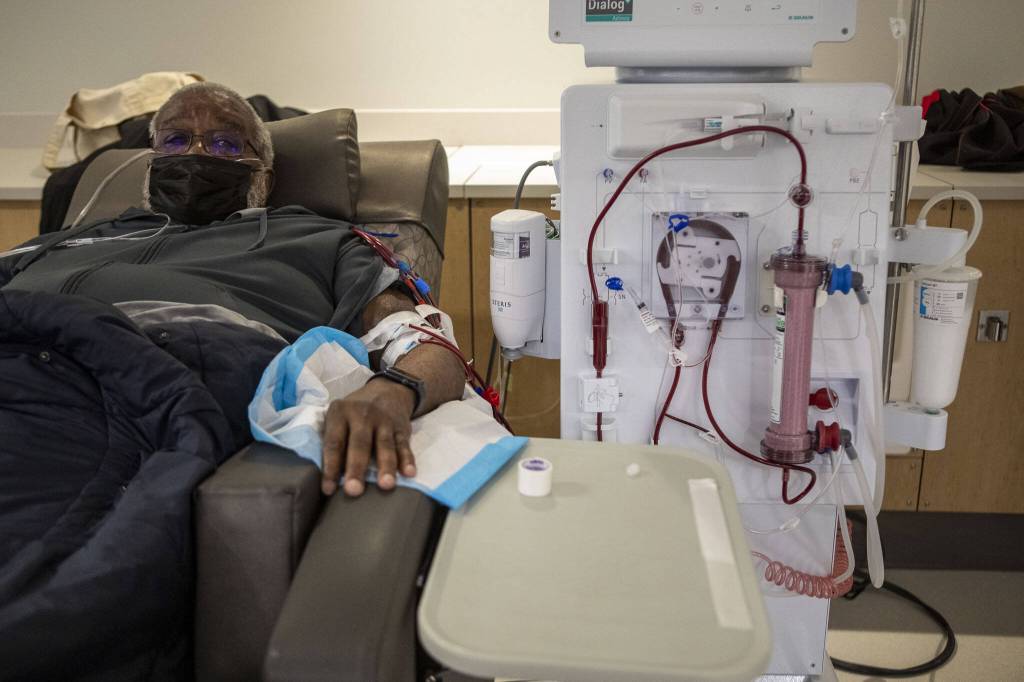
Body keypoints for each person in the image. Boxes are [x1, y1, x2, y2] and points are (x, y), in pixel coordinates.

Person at [0, 82, 465, 497]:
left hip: (139, 390)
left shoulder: (322, 241)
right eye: (177, 139)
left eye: (224, 143)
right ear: (151, 163)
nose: (195, 154)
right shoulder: (70, 239)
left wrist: (394, 390)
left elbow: (424, 342)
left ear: (262, 175)